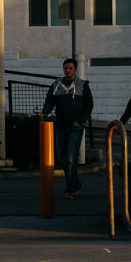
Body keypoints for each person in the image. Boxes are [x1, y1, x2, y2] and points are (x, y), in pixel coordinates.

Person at [40, 58, 93, 198]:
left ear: (75, 69)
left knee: (70, 157)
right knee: (61, 157)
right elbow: (49, 101)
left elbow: (89, 105)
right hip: (61, 126)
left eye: (70, 68)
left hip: (75, 127)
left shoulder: (82, 85)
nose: (67, 70)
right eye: (65, 68)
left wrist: (80, 121)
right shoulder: (56, 85)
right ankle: (76, 182)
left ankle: (70, 189)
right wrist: (45, 111)